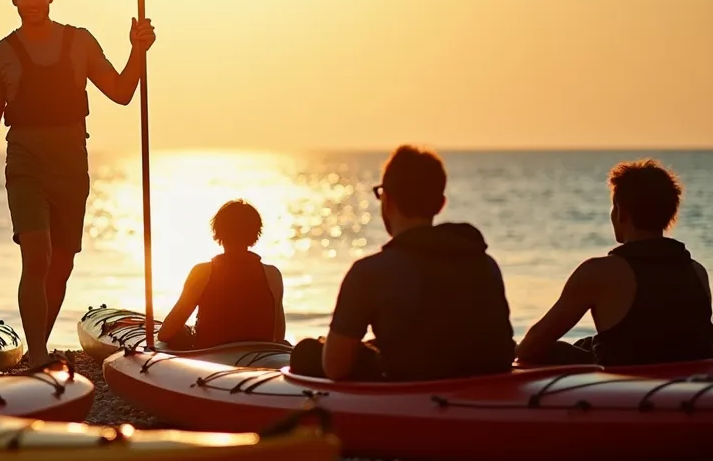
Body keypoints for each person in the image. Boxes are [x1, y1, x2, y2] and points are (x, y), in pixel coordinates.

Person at [0, 0, 156, 363]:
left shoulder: (80, 42)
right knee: (37, 256)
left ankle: (41, 342)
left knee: (62, 265)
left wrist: (138, 49)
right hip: (25, 165)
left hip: (71, 166)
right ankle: (35, 352)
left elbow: (121, 91)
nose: (32, 1)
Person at [290, 145, 516, 381]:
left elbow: (335, 368)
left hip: (410, 386)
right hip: (486, 382)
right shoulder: (485, 264)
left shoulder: (369, 273)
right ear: (440, 204)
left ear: (386, 200)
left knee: (306, 352)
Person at [516, 159, 713, 367]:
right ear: (670, 214)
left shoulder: (599, 273)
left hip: (624, 391)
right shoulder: (697, 272)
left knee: (552, 351)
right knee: (586, 343)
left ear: (621, 212)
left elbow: (532, 345)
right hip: (686, 388)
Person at [157, 200, 287, 350]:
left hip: (212, 357)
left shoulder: (203, 272)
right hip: (259, 357)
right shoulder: (272, 275)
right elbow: (278, 336)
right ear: (255, 234)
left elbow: (165, 334)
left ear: (218, 232)